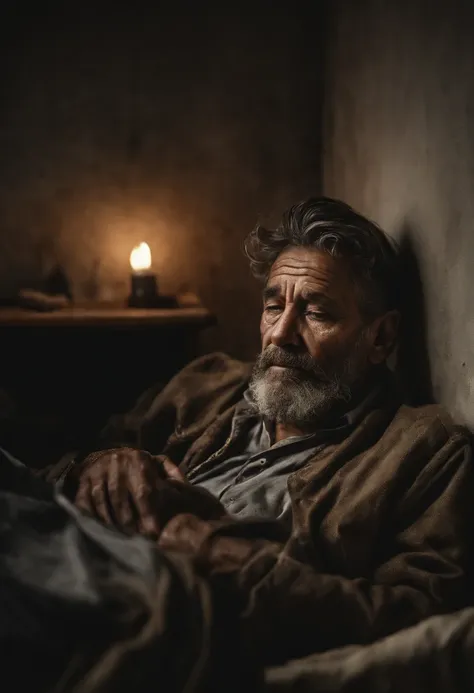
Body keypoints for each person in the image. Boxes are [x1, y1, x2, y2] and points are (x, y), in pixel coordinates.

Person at [41, 197, 474, 664]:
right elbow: (67, 453)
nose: (280, 334)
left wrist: (220, 555)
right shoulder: (208, 383)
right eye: (273, 306)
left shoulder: (425, 452)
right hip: (68, 558)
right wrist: (96, 465)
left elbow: (420, 619)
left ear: (382, 339)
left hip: (161, 621)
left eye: (318, 313)